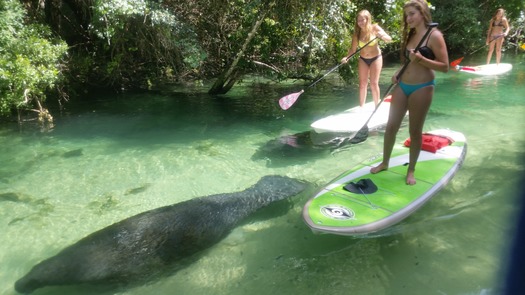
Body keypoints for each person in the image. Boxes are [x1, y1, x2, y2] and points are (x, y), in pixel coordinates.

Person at [370, 0, 449, 185]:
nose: (408, 18)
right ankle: (385, 162)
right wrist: (398, 72)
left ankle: (411, 170)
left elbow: (445, 67)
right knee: (390, 127)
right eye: (407, 15)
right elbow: (409, 61)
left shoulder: (434, 35)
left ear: (422, 14)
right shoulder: (411, 34)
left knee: (415, 131)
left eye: (412, 14)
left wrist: (421, 59)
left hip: (422, 87)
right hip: (403, 85)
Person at [341, 10, 392, 107]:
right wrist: (346, 58)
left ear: (367, 19)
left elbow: (389, 39)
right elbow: (353, 49)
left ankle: (377, 106)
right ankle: (361, 107)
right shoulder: (357, 34)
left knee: (373, 83)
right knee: (362, 84)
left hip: (376, 58)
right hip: (363, 59)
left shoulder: (375, 28)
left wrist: (382, 36)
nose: (360, 23)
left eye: (362, 20)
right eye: (358, 20)